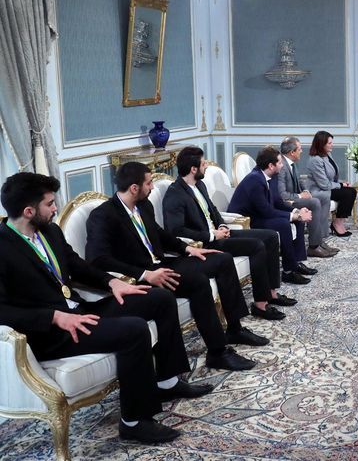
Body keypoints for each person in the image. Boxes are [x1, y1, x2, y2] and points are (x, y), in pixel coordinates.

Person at [0, 173, 213, 444]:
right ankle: (134, 422)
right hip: (50, 333)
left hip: (79, 310)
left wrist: (112, 283)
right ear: (29, 211)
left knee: (159, 299)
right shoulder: (3, 247)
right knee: (134, 330)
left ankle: (167, 382)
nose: (55, 209)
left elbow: (76, 265)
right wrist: (53, 317)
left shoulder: (49, 231)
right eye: (50, 204)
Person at [86, 162, 264, 372]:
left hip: (163, 263)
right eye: (149, 183)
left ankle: (234, 329)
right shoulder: (103, 215)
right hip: (142, 275)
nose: (152, 187)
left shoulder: (143, 206)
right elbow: (98, 259)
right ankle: (218, 353)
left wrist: (188, 249)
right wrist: (144, 274)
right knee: (198, 282)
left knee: (222, 259)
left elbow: (160, 234)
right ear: (134, 188)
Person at [162, 146, 294, 321]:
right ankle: (261, 305)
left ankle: (271, 293)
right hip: (206, 242)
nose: (206, 166)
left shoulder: (199, 184)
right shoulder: (175, 194)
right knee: (257, 246)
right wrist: (212, 235)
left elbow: (213, 210)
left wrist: (222, 225)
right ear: (193, 169)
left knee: (270, 236)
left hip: (220, 233)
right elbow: (176, 230)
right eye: (203, 164)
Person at [228, 146, 317, 285]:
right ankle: (288, 272)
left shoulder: (271, 176)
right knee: (284, 224)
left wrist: (297, 212)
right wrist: (295, 216)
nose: (282, 165)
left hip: (260, 215)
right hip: (247, 220)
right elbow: (266, 211)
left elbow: (277, 202)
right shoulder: (255, 180)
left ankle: (296, 263)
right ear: (271, 165)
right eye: (280, 162)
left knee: (297, 220)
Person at [277, 136, 338, 257]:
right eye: (299, 149)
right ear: (292, 152)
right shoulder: (281, 166)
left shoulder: (292, 162)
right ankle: (314, 246)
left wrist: (305, 190)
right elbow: (282, 195)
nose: (301, 151)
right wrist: (300, 196)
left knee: (321, 197)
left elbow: (300, 181)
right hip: (286, 202)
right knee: (314, 202)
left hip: (294, 197)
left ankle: (319, 240)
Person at [306, 130, 357, 237]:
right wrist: (341, 185)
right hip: (319, 190)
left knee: (351, 191)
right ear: (321, 144)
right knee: (348, 193)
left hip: (327, 187)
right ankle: (337, 224)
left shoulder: (327, 155)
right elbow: (324, 184)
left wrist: (341, 183)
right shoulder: (315, 160)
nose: (332, 145)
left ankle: (339, 222)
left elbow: (331, 177)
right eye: (329, 143)